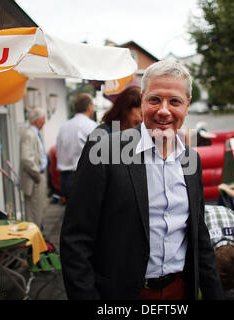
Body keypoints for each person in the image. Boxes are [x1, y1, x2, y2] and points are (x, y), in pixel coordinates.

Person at [60, 60, 223, 300]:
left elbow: (199, 236)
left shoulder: (192, 160)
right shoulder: (104, 152)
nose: (164, 110)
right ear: (144, 100)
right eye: (155, 99)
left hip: (179, 291)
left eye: (175, 101)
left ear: (187, 105)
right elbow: (75, 241)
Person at [56, 93, 97, 203]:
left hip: (65, 178)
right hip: (83, 177)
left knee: (72, 213)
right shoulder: (91, 126)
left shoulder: (63, 127)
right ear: (89, 106)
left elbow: (58, 152)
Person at [19, 108, 47, 229]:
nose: (45, 121)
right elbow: (26, 158)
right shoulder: (28, 134)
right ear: (38, 120)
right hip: (34, 179)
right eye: (44, 119)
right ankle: (35, 244)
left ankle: (39, 241)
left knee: (39, 211)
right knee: (34, 213)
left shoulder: (35, 133)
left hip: (38, 177)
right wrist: (36, 174)